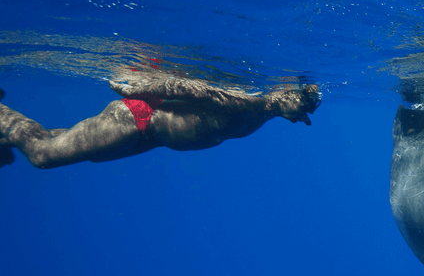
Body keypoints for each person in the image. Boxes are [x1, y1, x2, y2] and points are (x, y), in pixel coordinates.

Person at [0, 78, 320, 169]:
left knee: (88, 152)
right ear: (286, 95)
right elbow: (187, 88)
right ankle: (4, 118)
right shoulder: (247, 103)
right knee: (43, 156)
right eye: (303, 108)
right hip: (139, 118)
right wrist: (137, 89)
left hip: (151, 137)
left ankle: (6, 137)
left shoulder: (264, 111)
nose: (303, 118)